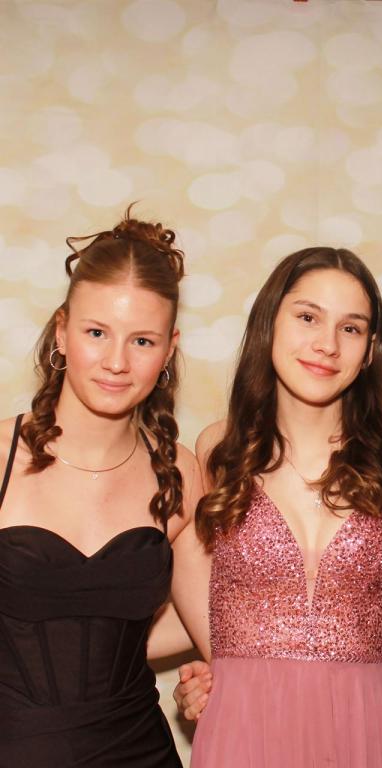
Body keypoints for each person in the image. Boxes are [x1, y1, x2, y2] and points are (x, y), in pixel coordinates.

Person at [171, 247, 382, 767]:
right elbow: (191, 576)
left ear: (371, 350)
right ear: (269, 323)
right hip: (245, 726)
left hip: (364, 726)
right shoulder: (219, 449)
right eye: (308, 317)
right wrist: (215, 667)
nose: (327, 344)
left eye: (351, 328)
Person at [0, 210, 202, 767]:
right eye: (96, 333)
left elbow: (213, 619)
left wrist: (215, 676)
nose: (116, 362)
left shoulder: (180, 472)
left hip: (141, 751)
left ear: (169, 349)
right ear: (61, 331)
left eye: (142, 340)